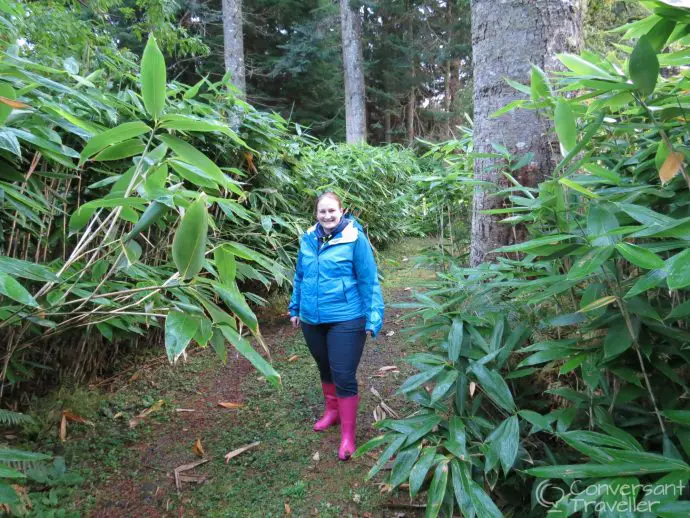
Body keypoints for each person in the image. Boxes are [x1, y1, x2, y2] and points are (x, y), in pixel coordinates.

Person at [288, 192, 384, 460]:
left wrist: (373, 316)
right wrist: (295, 308)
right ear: (316, 214)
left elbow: (369, 280)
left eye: (332, 211)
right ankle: (332, 412)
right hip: (312, 319)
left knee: (343, 374)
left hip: (346, 317)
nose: (327, 216)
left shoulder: (355, 239)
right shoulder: (308, 239)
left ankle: (348, 436)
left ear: (341, 211)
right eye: (322, 212)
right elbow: (300, 276)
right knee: (325, 368)